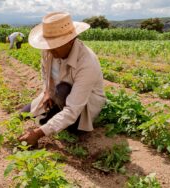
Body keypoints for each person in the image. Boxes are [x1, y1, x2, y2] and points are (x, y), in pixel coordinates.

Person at [18, 12, 106, 146]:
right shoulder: (48, 51)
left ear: (70, 40)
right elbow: (44, 73)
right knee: (21, 114)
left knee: (63, 91)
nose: (50, 49)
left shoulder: (87, 63)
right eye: (48, 44)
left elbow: (72, 110)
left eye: (55, 44)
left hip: (82, 105)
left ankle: (64, 123)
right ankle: (54, 113)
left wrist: (38, 133)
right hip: (56, 95)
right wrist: (47, 91)